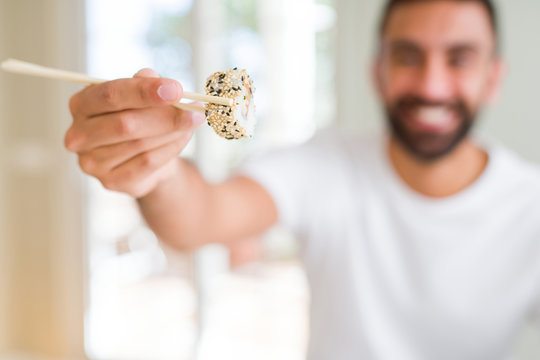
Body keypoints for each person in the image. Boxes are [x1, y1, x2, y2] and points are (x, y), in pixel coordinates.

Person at [65, 0, 540, 359]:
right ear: (378, 73)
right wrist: (156, 168)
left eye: (459, 59)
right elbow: (201, 216)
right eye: (408, 56)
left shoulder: (530, 207)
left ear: (493, 77)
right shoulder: (327, 166)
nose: (432, 85)